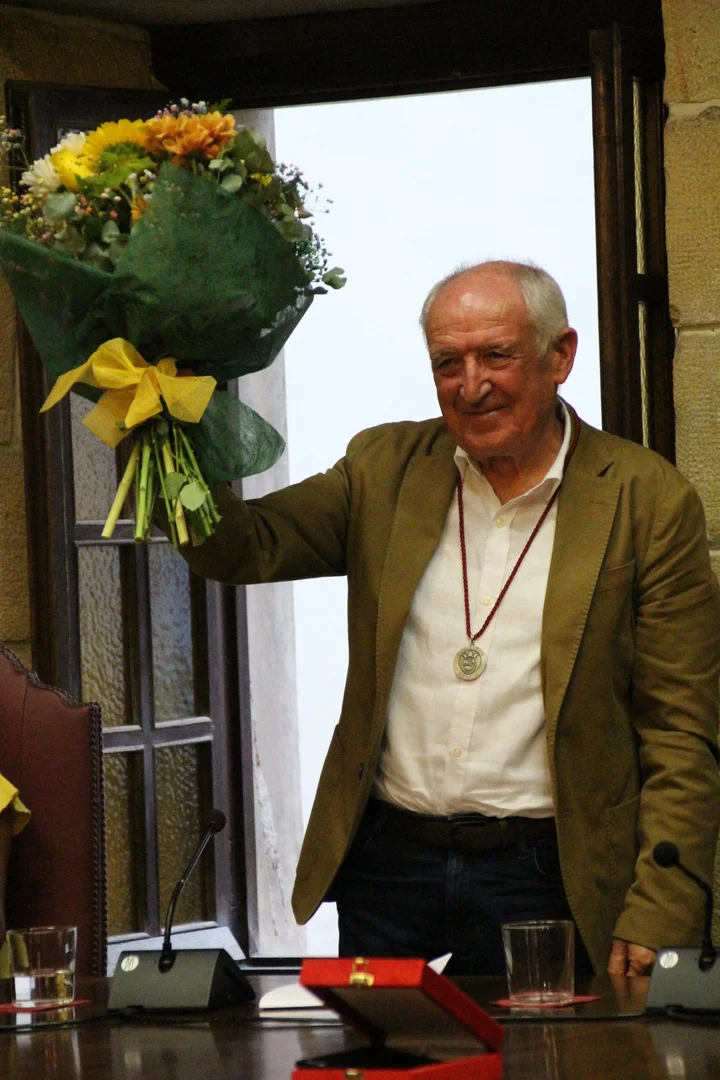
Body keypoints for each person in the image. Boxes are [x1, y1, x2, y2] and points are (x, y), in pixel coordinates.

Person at [179, 260, 720, 976]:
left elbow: (681, 732)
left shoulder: (645, 498)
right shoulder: (384, 468)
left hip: (549, 870)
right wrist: (162, 427)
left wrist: (660, 912)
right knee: (378, 1044)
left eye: (496, 355)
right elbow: (240, 546)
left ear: (560, 356)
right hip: (388, 866)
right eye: (447, 363)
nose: (471, 385)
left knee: (544, 1042)